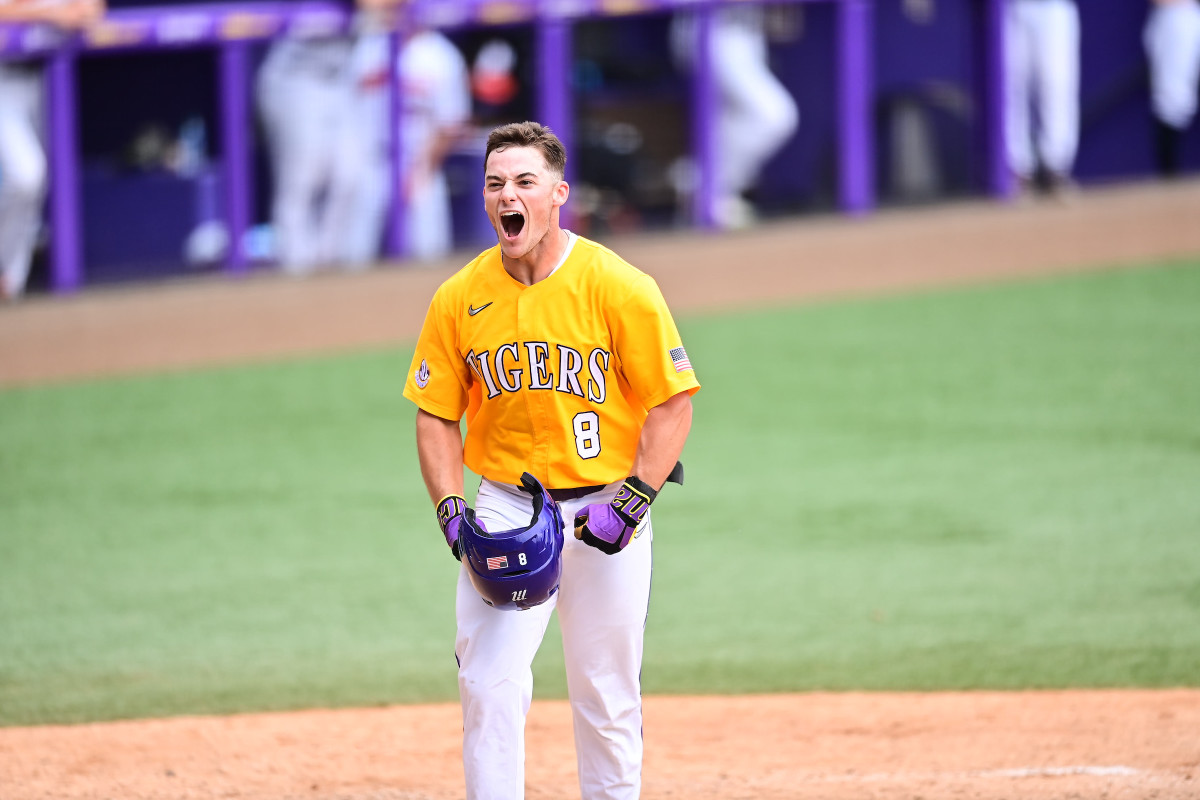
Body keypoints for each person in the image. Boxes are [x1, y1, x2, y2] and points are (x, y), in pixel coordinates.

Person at [403, 121, 699, 800]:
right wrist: (450, 508)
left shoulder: (617, 285)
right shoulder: (458, 298)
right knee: (487, 682)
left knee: (606, 691)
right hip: (506, 507)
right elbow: (436, 413)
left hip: (606, 509)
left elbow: (672, 402)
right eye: (495, 184)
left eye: (524, 182)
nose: (507, 195)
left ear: (559, 194)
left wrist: (635, 497)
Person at [0, 0, 104, 301]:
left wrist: (78, 11)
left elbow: (92, 9)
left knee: (39, 183)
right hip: (4, 77)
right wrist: (52, 13)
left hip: (48, 75)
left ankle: (11, 280)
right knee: (27, 175)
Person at [670, 5, 799, 229]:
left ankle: (707, 193)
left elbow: (786, 26)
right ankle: (699, 185)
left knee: (731, 118)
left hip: (747, 31)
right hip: (712, 28)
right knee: (774, 116)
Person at [1004, 0, 1081, 197]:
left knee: (1056, 83)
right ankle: (1018, 171)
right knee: (1011, 86)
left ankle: (1056, 169)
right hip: (1012, 7)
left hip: (1053, 6)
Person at [1144, 0, 1200, 177]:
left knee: (1177, 99)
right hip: (1173, 14)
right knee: (1172, 99)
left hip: (1189, 13)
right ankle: (1169, 176)